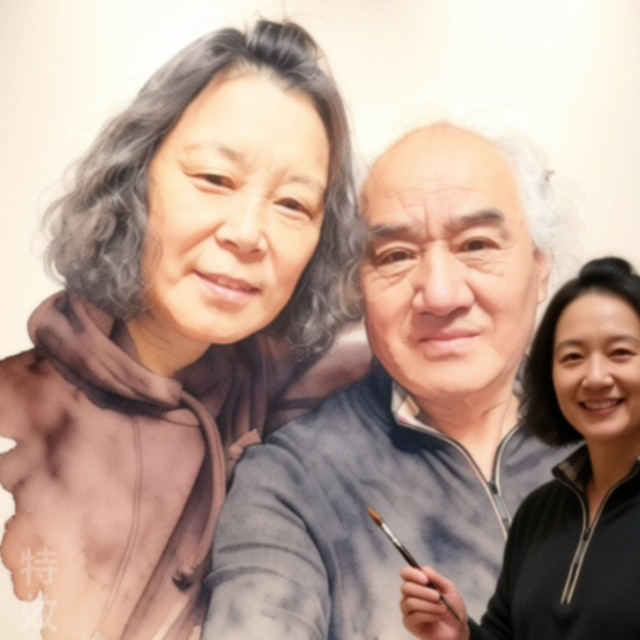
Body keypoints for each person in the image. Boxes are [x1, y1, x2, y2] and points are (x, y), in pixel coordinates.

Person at [0, 19, 370, 640]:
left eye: (293, 205)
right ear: (137, 180)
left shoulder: (278, 393)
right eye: (215, 179)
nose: (247, 233)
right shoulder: (19, 420)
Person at [202, 122, 574, 639]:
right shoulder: (291, 485)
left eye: (477, 244)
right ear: (358, 286)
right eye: (396, 255)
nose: (441, 295)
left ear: (540, 269)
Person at [400, 256, 640, 640]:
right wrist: (459, 633)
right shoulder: (538, 512)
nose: (595, 377)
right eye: (573, 357)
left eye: (621, 353)